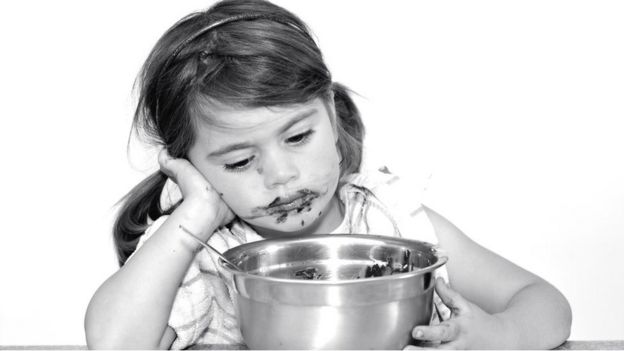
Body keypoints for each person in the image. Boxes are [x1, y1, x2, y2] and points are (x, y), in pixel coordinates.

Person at [84, 0, 572, 349]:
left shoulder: (391, 219)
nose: (280, 175)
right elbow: (113, 342)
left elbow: (545, 304)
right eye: (238, 162)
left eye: (297, 137)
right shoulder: (200, 250)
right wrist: (193, 216)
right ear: (190, 167)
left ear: (332, 117)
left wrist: (501, 336)